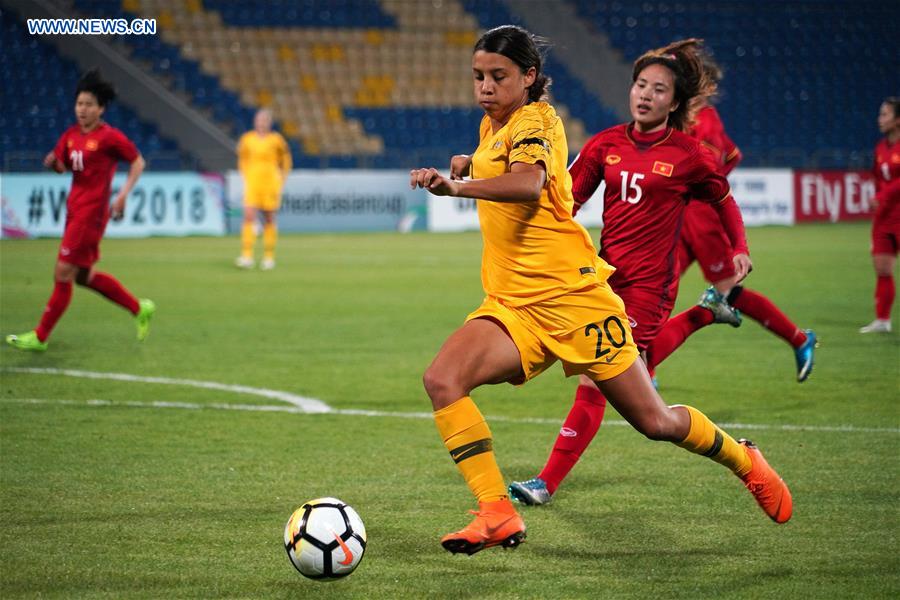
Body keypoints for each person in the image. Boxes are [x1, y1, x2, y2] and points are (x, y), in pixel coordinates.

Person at [411, 28, 791, 556]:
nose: (485, 87)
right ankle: (496, 511)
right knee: (442, 380)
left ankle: (744, 459)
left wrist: (459, 185)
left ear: (528, 78)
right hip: (515, 305)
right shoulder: (492, 126)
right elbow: (530, 177)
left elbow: (528, 184)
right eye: (478, 76)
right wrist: (470, 163)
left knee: (655, 421)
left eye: (498, 76)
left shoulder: (540, 121)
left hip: (574, 300)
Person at [507, 39, 787, 510]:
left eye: (658, 90)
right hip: (601, 280)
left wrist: (740, 247)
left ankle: (546, 483)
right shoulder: (605, 144)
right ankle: (704, 315)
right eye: (640, 85)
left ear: (674, 103)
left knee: (598, 378)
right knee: (633, 381)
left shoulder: (689, 154)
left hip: (649, 288)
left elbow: (723, 200)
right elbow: (568, 202)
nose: (645, 95)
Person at [648, 54, 818, 382]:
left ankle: (798, 338)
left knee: (726, 290)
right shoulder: (685, 118)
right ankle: (647, 365)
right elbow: (733, 154)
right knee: (656, 291)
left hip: (701, 217)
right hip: (681, 218)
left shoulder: (705, 121)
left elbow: (709, 168)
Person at [6, 69, 154, 352]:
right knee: (83, 276)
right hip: (75, 211)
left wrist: (122, 196)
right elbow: (64, 168)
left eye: (88, 104)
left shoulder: (109, 137)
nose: (82, 109)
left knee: (62, 273)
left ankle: (40, 336)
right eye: (79, 104)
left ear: (101, 108)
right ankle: (139, 308)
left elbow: (138, 162)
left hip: (91, 216)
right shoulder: (71, 136)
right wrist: (53, 165)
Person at [859, 97, 900, 333]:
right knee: (882, 267)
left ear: (898, 120)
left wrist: (883, 195)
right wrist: (878, 198)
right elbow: (877, 177)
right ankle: (883, 320)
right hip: (884, 218)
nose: (880, 119)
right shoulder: (880, 148)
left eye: (885, 114)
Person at [235, 108, 291, 270]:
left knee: (269, 218)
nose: (261, 123)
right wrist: (246, 175)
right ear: (255, 121)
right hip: (253, 183)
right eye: (259, 120)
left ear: (269, 123)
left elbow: (286, 159)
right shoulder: (247, 139)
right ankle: (247, 256)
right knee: (248, 216)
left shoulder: (277, 140)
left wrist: (282, 177)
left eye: (265, 120)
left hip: (270, 183)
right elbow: (243, 159)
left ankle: (268, 257)